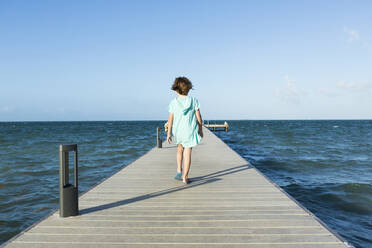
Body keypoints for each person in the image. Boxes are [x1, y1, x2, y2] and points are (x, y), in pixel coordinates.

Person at [167, 77, 203, 184]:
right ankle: (185, 177)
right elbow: (198, 116)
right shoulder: (193, 101)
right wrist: (200, 129)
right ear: (188, 88)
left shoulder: (174, 102)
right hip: (190, 132)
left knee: (179, 150)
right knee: (187, 153)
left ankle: (179, 171)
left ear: (176, 89)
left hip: (178, 132)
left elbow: (170, 119)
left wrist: (168, 133)